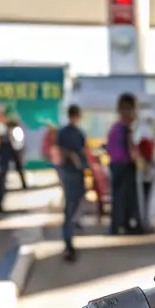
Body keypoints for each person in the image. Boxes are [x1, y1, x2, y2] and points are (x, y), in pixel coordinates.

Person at [55, 105, 89, 262]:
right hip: (74, 171)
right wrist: (79, 162)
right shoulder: (77, 133)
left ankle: (69, 237)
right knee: (72, 204)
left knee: (71, 204)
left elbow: (58, 150)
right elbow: (80, 152)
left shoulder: (63, 132)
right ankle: (68, 241)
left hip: (67, 171)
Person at [105, 92, 143, 235]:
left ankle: (116, 226)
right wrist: (137, 160)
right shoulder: (126, 129)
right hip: (125, 165)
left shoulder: (115, 128)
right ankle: (129, 224)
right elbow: (130, 149)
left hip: (115, 165)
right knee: (129, 197)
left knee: (117, 197)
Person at [0, 118, 26, 211]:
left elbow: (19, 144)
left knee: (6, 174)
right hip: (6, 152)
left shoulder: (15, 132)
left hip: (9, 151)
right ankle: (0, 201)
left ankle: (23, 184)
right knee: (2, 176)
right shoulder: (1, 132)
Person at [134, 112, 155, 229]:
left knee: (144, 197)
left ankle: (144, 220)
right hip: (146, 169)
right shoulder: (145, 134)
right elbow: (148, 153)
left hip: (144, 169)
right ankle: (144, 221)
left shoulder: (140, 133)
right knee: (145, 197)